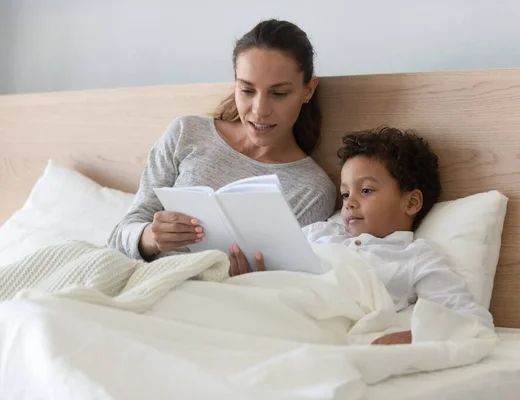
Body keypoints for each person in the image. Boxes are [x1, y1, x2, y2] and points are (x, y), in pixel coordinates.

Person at [230, 126, 494, 345]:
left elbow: (470, 320)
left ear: (411, 202)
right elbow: (275, 268)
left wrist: (413, 337)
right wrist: (251, 276)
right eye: (345, 193)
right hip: (269, 313)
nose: (349, 203)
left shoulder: (415, 257)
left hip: (315, 329)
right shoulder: (320, 232)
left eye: (366, 190)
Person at [108, 19, 337, 261]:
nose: (260, 110)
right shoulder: (185, 134)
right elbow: (119, 235)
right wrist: (150, 238)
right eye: (247, 91)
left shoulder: (312, 190)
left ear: (308, 90)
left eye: (279, 94)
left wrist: (246, 279)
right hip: (145, 279)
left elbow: (287, 278)